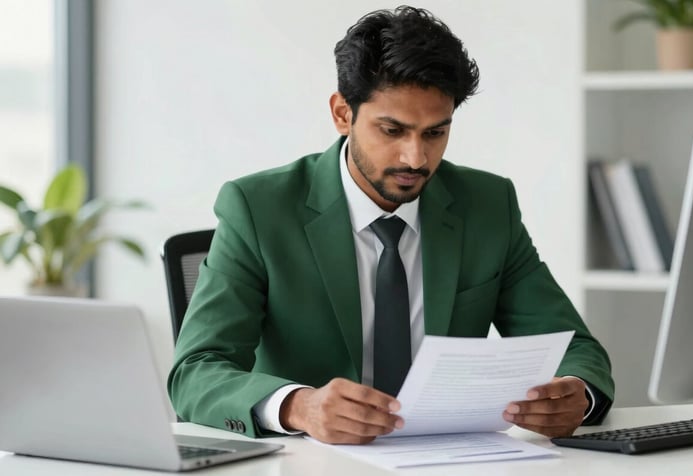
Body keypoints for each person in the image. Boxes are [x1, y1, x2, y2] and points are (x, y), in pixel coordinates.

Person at [168, 5, 614, 445]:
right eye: (392, 130)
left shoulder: (488, 206)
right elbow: (195, 371)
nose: (416, 159)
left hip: (454, 459)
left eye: (435, 133)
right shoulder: (258, 208)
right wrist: (298, 406)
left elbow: (573, 346)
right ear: (343, 113)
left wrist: (577, 392)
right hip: (315, 463)